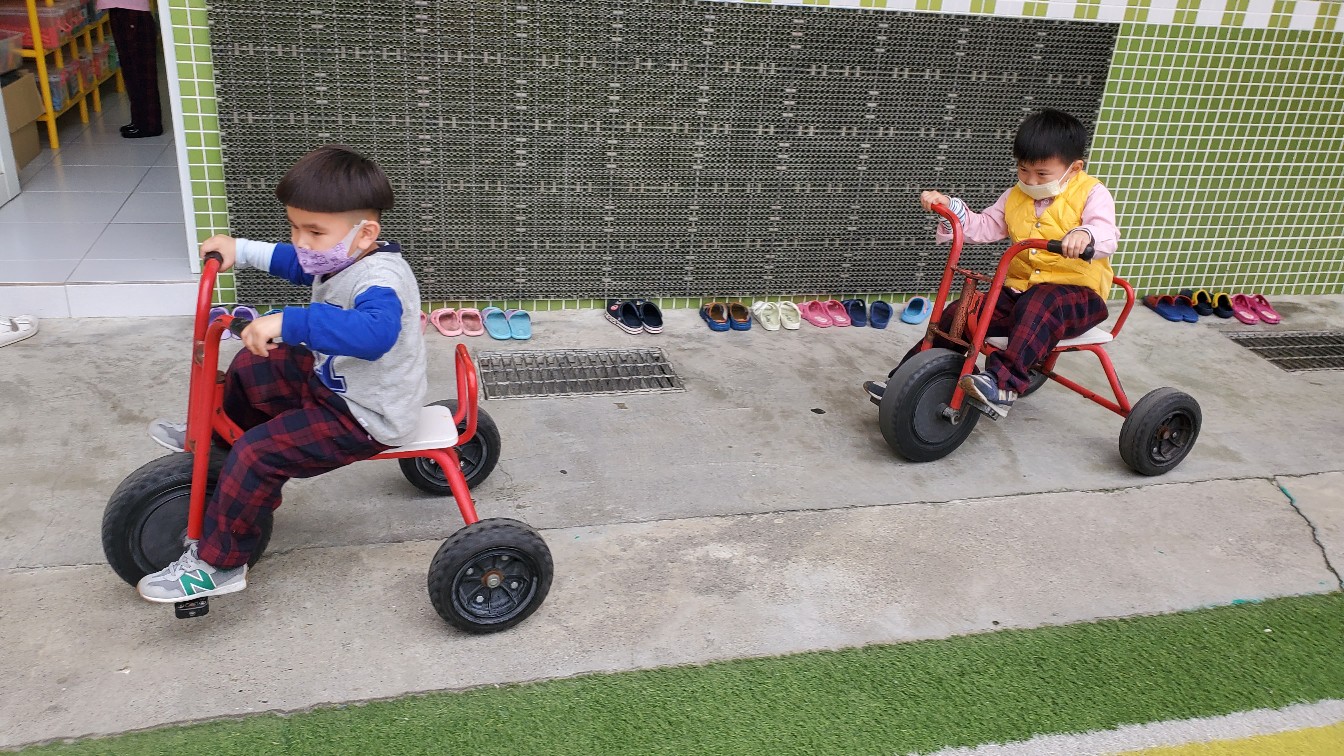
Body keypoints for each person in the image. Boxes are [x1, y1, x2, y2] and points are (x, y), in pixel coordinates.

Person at [138, 145, 427, 603]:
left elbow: (375, 333)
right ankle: (219, 445)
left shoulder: (381, 280)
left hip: (365, 415)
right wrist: (239, 249)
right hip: (334, 380)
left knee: (259, 455)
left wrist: (291, 322)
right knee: (255, 365)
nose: (301, 241)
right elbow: (294, 262)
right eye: (294, 227)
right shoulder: (340, 255)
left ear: (365, 233)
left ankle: (220, 564)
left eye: (314, 231)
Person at [865, 109, 1119, 419]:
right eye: (1023, 170)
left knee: (1040, 303)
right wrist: (951, 207)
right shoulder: (1016, 196)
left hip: (1079, 296)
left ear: (1074, 168)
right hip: (1022, 293)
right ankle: (905, 383)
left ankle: (1003, 384)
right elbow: (985, 226)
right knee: (963, 311)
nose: (1030, 180)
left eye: (1042, 174)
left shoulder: (1092, 193)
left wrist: (1085, 234)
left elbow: (1107, 233)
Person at [97, 1, 163, 138]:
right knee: (131, 69)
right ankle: (140, 121)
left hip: (130, 9)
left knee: (139, 69)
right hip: (123, 8)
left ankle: (148, 125)